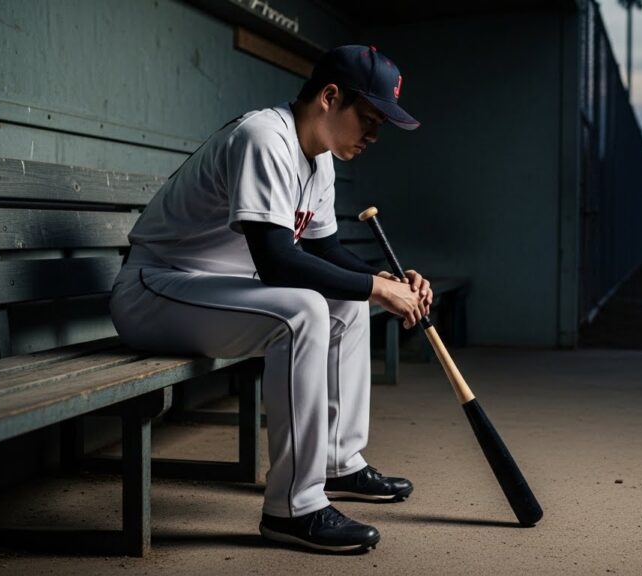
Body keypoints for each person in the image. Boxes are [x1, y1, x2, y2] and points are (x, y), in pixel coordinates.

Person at [108, 45, 431, 553]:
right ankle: (292, 510)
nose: (374, 134)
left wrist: (389, 280)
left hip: (217, 294)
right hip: (155, 290)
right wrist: (377, 287)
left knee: (346, 303)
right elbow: (279, 262)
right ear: (330, 97)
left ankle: (337, 461)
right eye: (369, 118)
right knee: (302, 312)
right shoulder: (264, 137)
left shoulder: (319, 161)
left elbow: (325, 252)